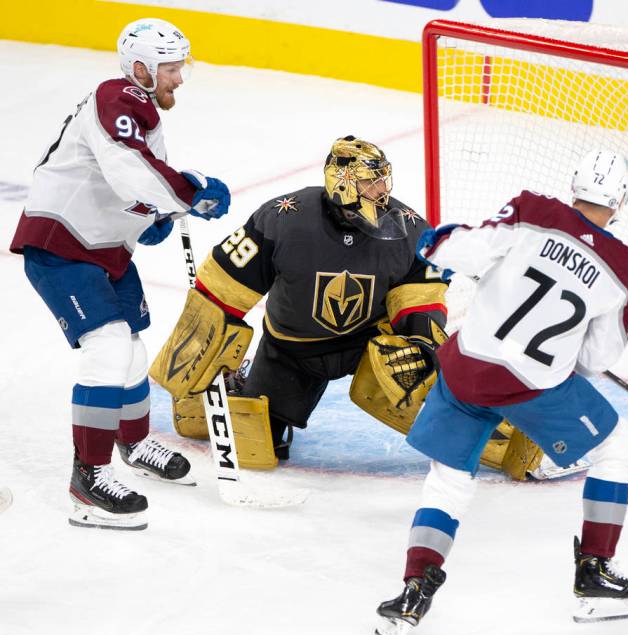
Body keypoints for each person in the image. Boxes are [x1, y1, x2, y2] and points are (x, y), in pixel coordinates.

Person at [374, 149, 628, 635]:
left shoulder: (533, 210)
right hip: (530, 388)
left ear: (574, 185)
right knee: (618, 445)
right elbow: (596, 361)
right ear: (622, 200)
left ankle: (413, 592)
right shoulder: (626, 274)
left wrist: (435, 241)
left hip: (465, 369)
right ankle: (594, 574)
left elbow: (453, 250)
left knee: (449, 481)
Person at [9, 18, 231, 531]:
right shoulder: (117, 96)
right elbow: (129, 168)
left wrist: (153, 218)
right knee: (107, 346)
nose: (180, 78)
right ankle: (87, 480)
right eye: (171, 69)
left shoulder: (142, 109)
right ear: (140, 68)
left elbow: (126, 183)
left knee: (132, 350)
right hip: (62, 244)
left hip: (103, 247)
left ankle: (133, 443)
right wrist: (190, 195)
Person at [150, 136, 449, 469]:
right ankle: (236, 389)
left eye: (382, 179)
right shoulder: (283, 220)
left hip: (367, 345)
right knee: (259, 443)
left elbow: (422, 294)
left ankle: (479, 428)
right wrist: (199, 352)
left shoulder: (407, 228)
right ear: (344, 183)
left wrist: (421, 339)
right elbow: (222, 289)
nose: (381, 190)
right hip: (292, 351)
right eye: (369, 181)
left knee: (425, 370)